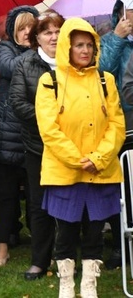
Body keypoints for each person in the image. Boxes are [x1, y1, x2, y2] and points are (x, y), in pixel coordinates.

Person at [35, 18, 125, 298]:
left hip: (100, 171)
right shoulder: (49, 81)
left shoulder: (106, 80)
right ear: (67, 48)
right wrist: (77, 159)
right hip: (66, 172)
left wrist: (98, 158)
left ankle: (89, 285)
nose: (85, 51)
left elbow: (117, 124)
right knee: (66, 231)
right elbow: (48, 129)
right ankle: (65, 285)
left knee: (96, 231)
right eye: (78, 46)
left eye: (89, 45)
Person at [8, 10, 64, 281]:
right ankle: (39, 262)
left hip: (71, 146)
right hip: (38, 146)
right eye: (47, 32)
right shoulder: (24, 63)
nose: (53, 37)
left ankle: (68, 258)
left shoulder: (73, 61)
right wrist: (52, 120)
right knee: (39, 205)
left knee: (72, 203)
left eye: (57, 31)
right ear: (36, 38)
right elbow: (18, 104)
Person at [0, 6, 38, 266]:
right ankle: (2, 249)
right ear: (13, 31)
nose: (27, 32)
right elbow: (7, 68)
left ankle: (41, 248)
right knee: (6, 195)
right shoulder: (4, 49)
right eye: (21, 28)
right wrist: (35, 51)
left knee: (36, 196)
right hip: (8, 133)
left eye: (31, 27)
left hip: (34, 133)